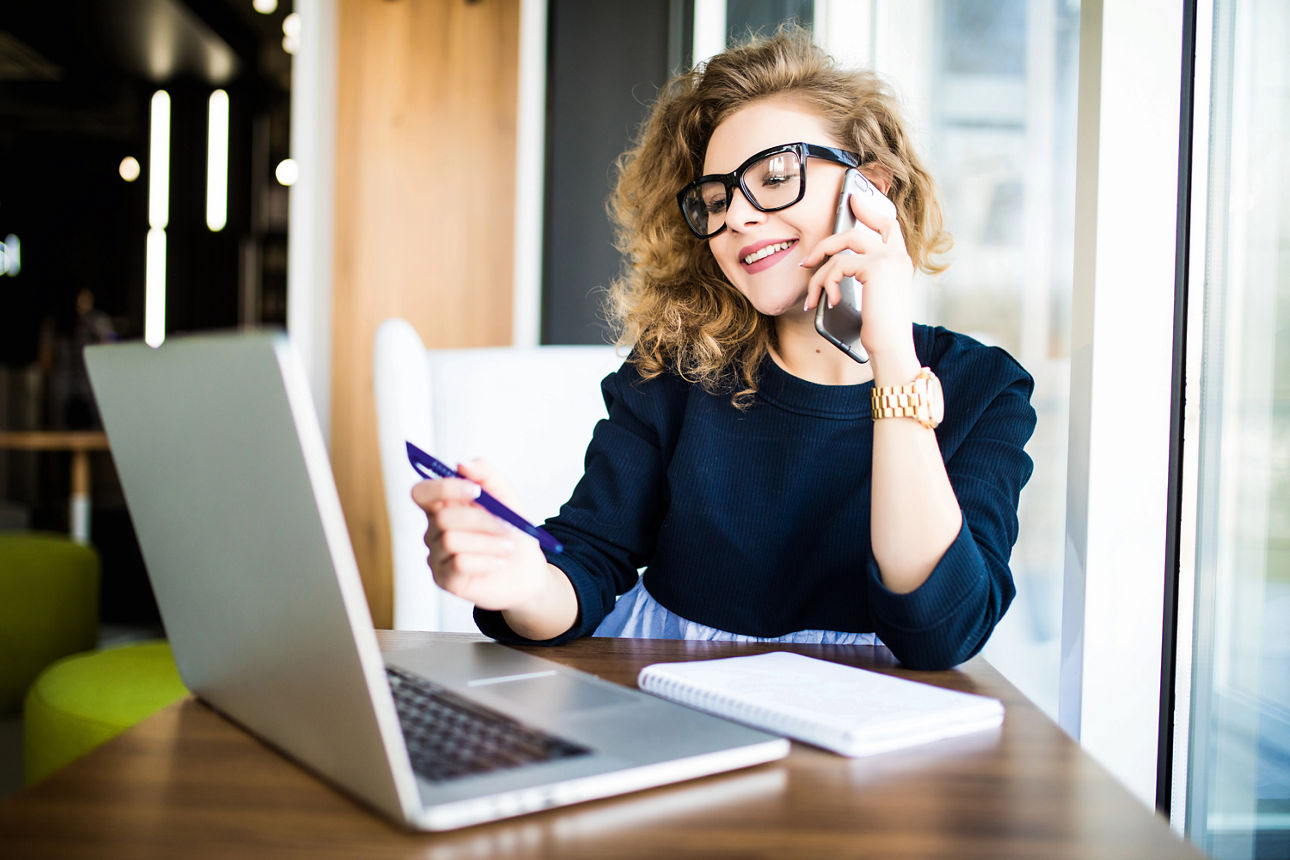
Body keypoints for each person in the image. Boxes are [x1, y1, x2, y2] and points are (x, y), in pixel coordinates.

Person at [412, 27, 1036, 670]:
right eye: (717, 199)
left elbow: (941, 633)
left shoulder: (987, 389)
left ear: (871, 189)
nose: (735, 217)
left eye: (775, 177)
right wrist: (521, 580)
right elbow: (586, 562)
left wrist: (892, 357)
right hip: (670, 696)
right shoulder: (675, 371)